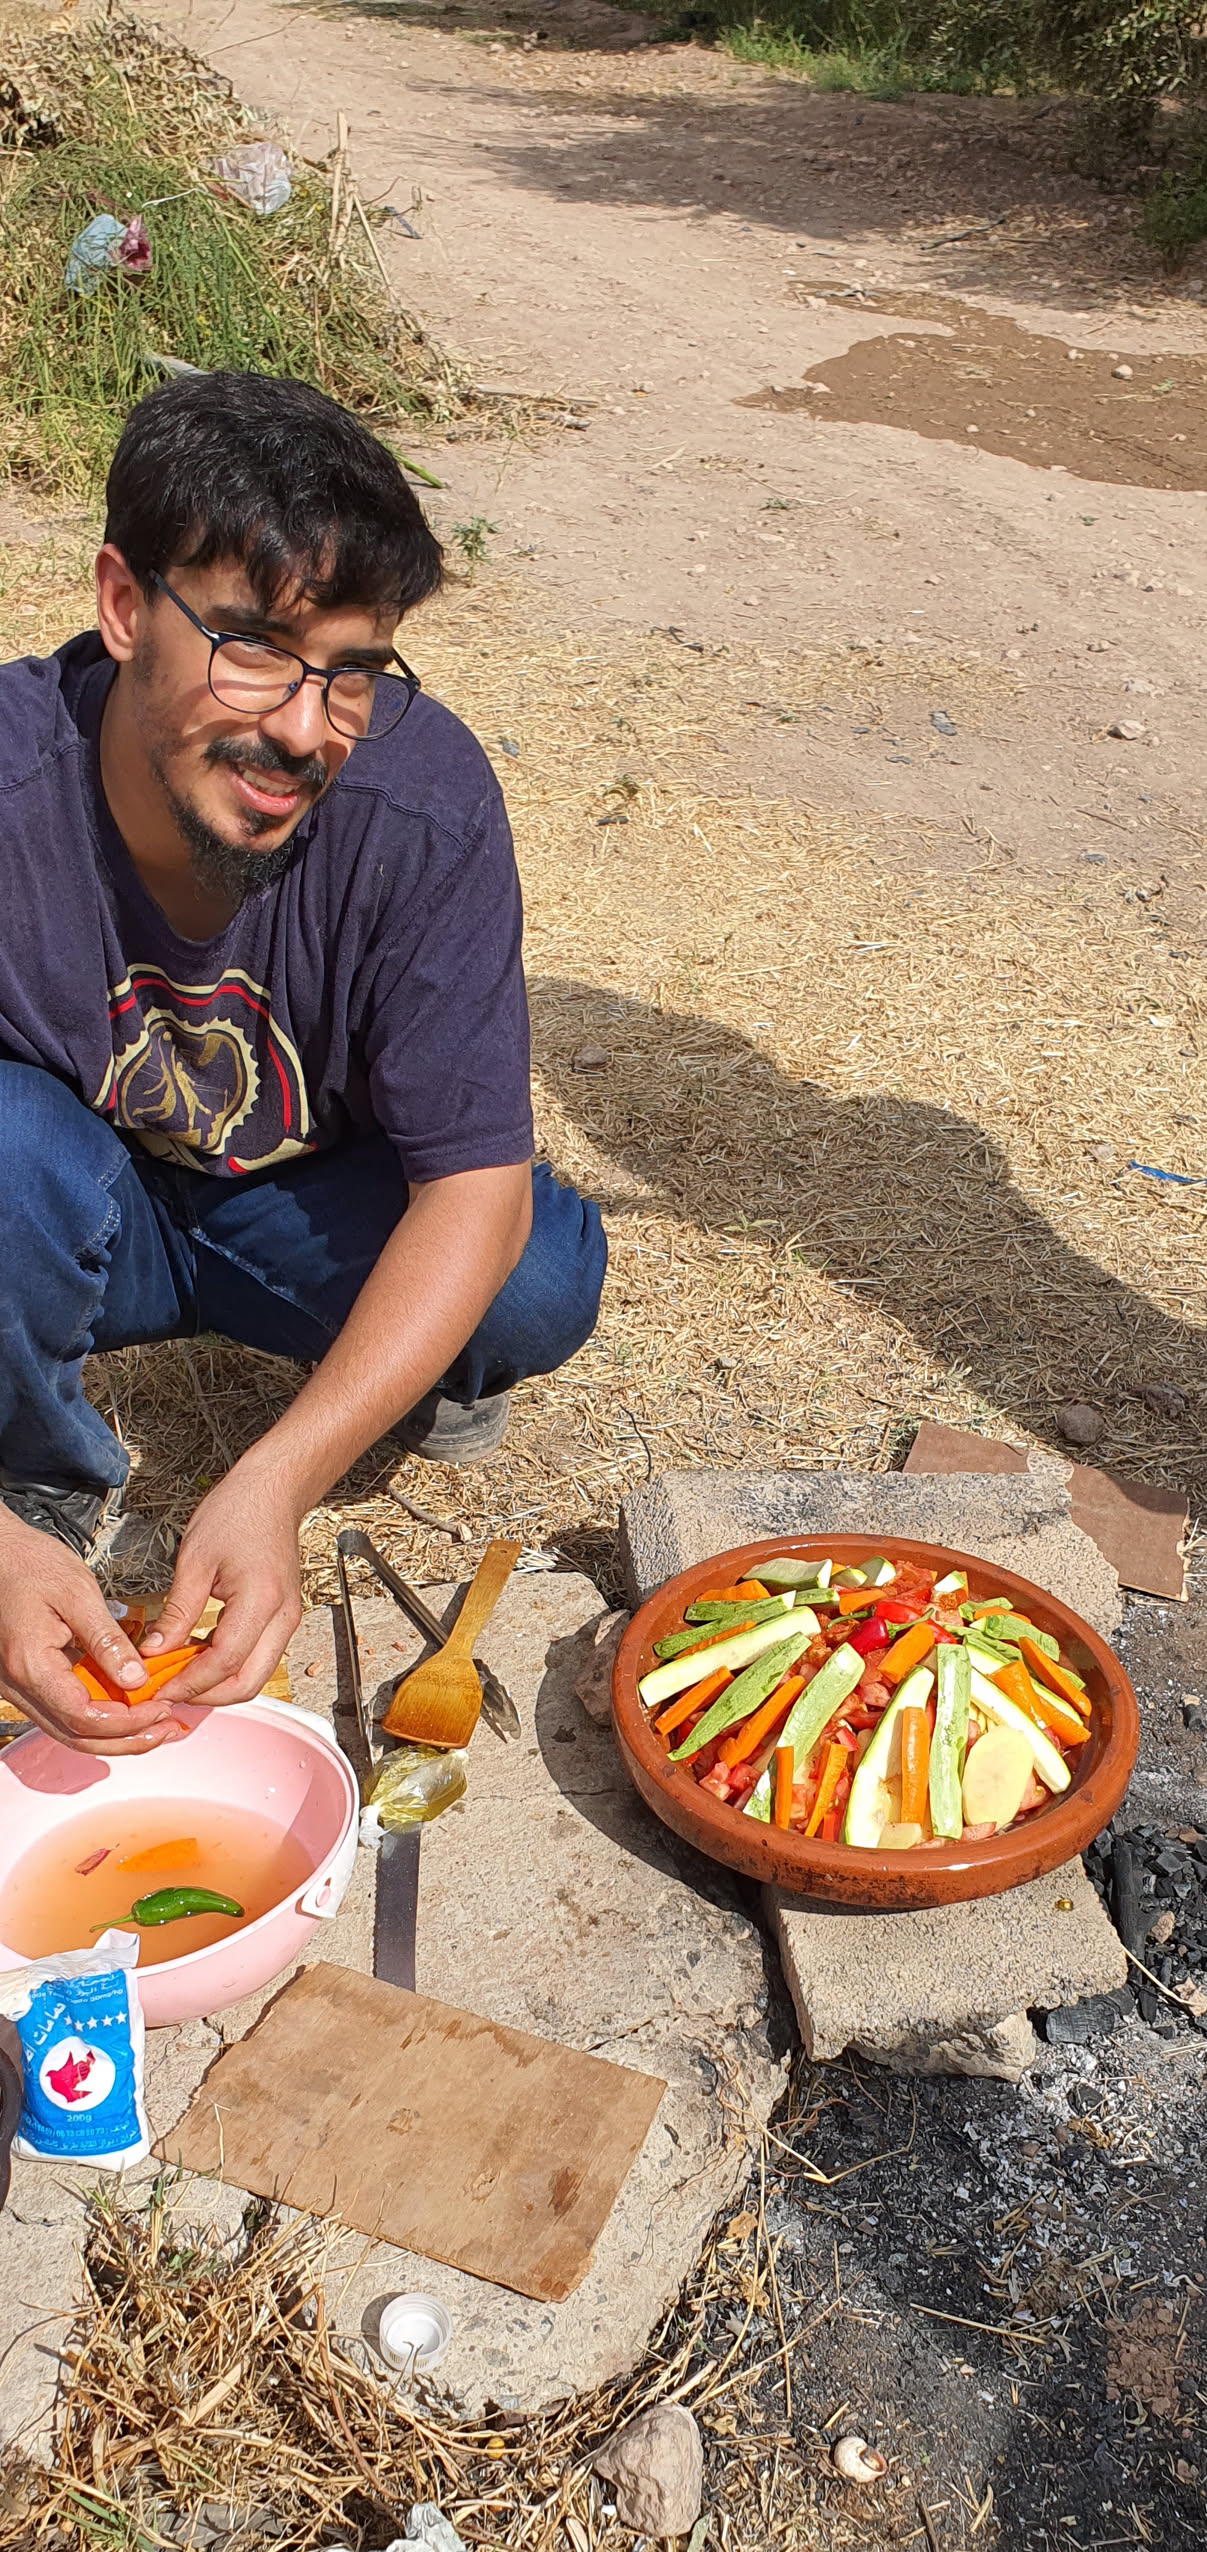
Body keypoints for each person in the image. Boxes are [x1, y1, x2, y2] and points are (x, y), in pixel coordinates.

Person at [0, 370, 605, 1756]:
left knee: (532, 1279)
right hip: (61, 1197)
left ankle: (387, 1368)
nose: (300, 727)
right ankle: (35, 1475)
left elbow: (471, 1190)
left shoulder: (422, 802)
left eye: (352, 670)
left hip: (300, 1201)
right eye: (256, 648)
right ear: (122, 604)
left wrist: (282, 1475)